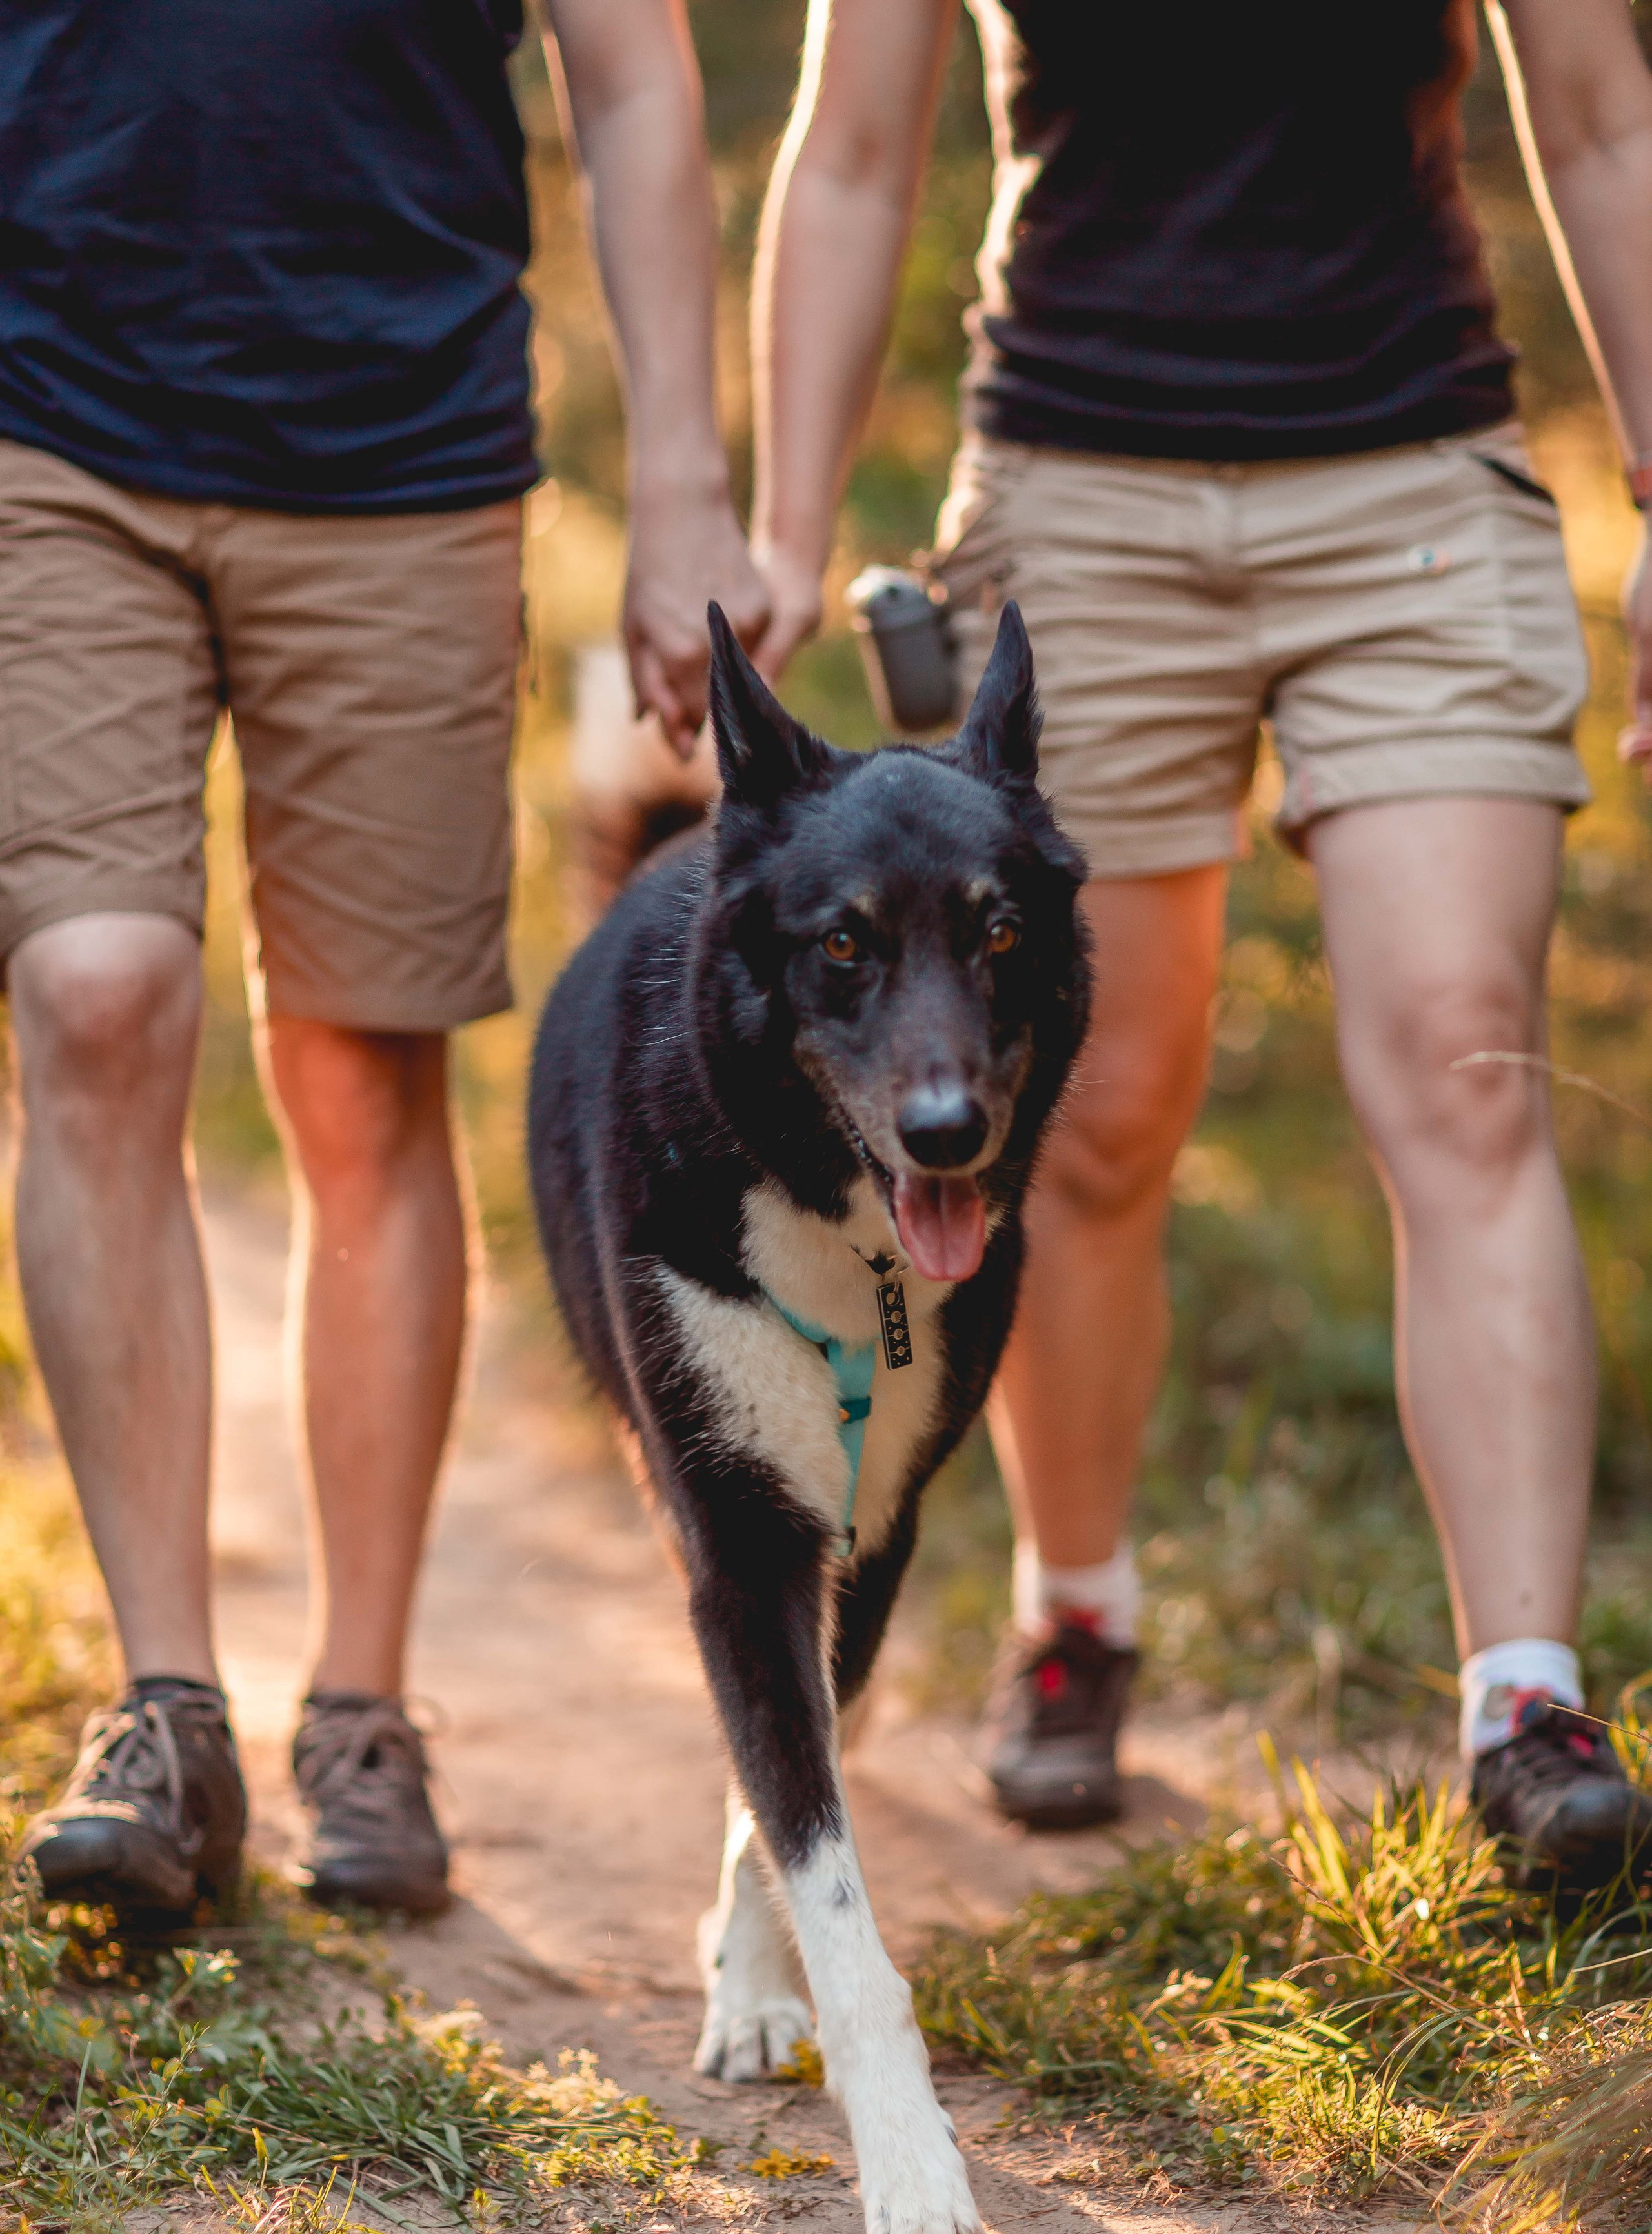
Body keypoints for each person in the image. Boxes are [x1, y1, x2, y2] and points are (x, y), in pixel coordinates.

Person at [748, 0, 1652, 1892]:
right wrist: (775, 531)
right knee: (1087, 1116)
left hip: (1412, 490)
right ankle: (1075, 1615)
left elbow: (1599, 117)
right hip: (1079, 508)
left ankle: (1528, 1707)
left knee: (1467, 1060)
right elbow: (848, 150)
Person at [7, 0, 767, 1924]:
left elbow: (630, 66)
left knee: (364, 1065)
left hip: (403, 446)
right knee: (95, 994)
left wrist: (682, 475)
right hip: (45, 415)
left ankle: (361, 1707)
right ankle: (169, 1704)